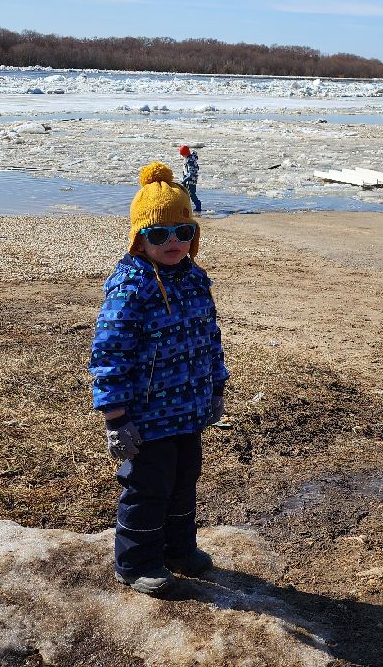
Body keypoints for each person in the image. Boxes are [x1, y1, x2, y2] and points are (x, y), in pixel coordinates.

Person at [89, 162, 228, 596]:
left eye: (184, 232)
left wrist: (217, 386)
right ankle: (135, 561)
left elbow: (209, 337)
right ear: (139, 238)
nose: (173, 243)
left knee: (185, 480)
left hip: (189, 407)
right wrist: (116, 418)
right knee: (148, 487)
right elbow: (109, 354)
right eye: (159, 234)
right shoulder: (131, 288)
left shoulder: (193, 278)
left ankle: (178, 547)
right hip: (147, 416)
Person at [178, 144, 203, 214]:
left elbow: (191, 173)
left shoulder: (190, 160)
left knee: (192, 193)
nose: (182, 156)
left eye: (182, 154)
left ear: (185, 153)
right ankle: (185, 206)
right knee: (185, 193)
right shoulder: (188, 158)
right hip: (188, 179)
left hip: (191, 180)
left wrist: (185, 180)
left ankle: (198, 206)